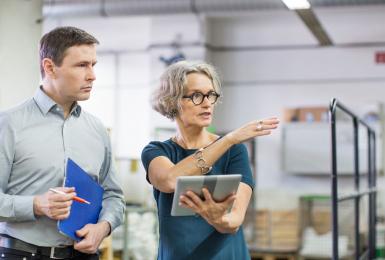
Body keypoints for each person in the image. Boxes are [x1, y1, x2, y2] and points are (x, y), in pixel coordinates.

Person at [0, 26, 125, 260]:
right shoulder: (9, 124)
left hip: (83, 255)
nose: (92, 75)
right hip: (23, 253)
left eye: (93, 65)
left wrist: (104, 227)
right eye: (81, 65)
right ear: (50, 67)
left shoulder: (97, 129)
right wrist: (37, 205)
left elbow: (113, 196)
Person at [141, 60, 279, 260]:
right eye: (197, 95)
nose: (207, 103)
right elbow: (170, 181)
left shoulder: (235, 151)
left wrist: (219, 219)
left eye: (211, 95)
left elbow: (235, 220)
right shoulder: (156, 151)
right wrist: (229, 139)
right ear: (173, 101)